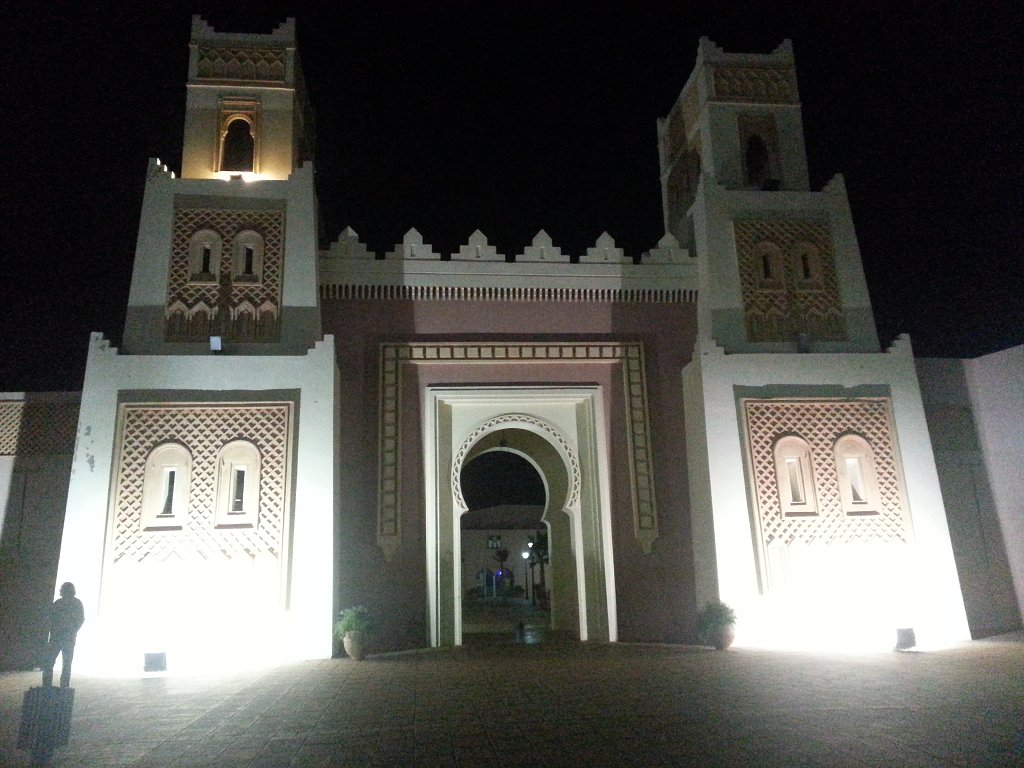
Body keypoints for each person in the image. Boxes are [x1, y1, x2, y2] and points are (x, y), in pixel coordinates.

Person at [41, 582, 84, 688]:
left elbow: (80, 620)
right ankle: (57, 687)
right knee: (58, 663)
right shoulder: (71, 604)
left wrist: (70, 631)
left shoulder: (65, 604)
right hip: (61, 638)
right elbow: (50, 619)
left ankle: (52, 687)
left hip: (63, 638)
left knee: (61, 664)